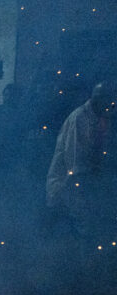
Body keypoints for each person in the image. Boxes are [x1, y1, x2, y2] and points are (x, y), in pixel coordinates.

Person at [46, 81, 117, 222]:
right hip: (66, 192)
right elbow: (75, 166)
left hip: (90, 190)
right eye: (108, 99)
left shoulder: (103, 117)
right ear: (97, 99)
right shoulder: (79, 119)